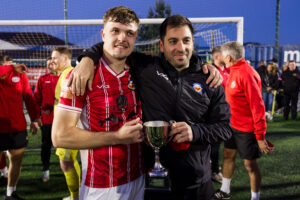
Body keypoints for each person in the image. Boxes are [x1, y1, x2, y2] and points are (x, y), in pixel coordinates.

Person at [68, 13, 232, 200]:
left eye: (186, 40)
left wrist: (195, 132)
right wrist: (87, 59)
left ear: (193, 42)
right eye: (173, 41)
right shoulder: (145, 67)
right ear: (161, 45)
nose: (181, 47)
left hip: (196, 183)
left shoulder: (210, 80)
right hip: (152, 185)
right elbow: (113, 48)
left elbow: (225, 128)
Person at [52, 6, 145, 200]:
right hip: (101, 186)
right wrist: (117, 137)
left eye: (130, 33)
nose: (122, 38)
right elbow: (60, 137)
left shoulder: (140, 69)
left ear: (136, 37)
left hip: (138, 178)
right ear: (103, 34)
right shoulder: (79, 75)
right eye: (115, 31)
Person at [213, 42, 273, 200]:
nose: (222, 59)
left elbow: (258, 107)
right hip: (231, 126)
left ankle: (255, 198)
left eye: (223, 56)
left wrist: (260, 137)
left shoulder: (246, 73)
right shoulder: (232, 70)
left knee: (250, 165)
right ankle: (225, 191)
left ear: (229, 57)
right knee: (227, 155)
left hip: (246, 129)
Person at [0, 60, 39, 200]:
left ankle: (10, 193)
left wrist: (34, 119)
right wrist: (10, 67)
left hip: (17, 126)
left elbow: (28, 97)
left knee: (16, 160)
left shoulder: (20, 76)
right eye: (7, 64)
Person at [49, 47, 81, 200]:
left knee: (66, 163)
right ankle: (77, 195)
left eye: (55, 57)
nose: (52, 61)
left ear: (65, 59)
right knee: (71, 161)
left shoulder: (68, 74)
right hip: (67, 126)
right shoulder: (65, 74)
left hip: (67, 127)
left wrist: (63, 127)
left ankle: (76, 197)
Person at [33, 57, 59, 182]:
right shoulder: (42, 79)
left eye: (53, 63)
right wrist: (37, 117)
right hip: (47, 120)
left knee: (67, 146)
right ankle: (46, 171)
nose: (50, 66)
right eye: (48, 64)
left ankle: (69, 169)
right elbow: (36, 99)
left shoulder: (64, 78)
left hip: (63, 119)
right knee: (46, 145)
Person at [210, 46, 230, 184]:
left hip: (228, 114)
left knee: (226, 144)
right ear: (217, 57)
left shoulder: (228, 71)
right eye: (225, 55)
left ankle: (216, 169)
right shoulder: (210, 72)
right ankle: (214, 171)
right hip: (215, 115)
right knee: (214, 145)